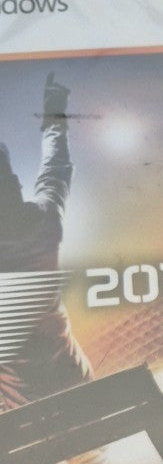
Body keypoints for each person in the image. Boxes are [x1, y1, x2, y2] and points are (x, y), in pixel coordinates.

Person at [0, 71, 91, 411]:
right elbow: (57, 166)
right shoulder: (45, 221)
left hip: (25, 415)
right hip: (80, 388)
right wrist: (54, 115)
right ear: (14, 184)